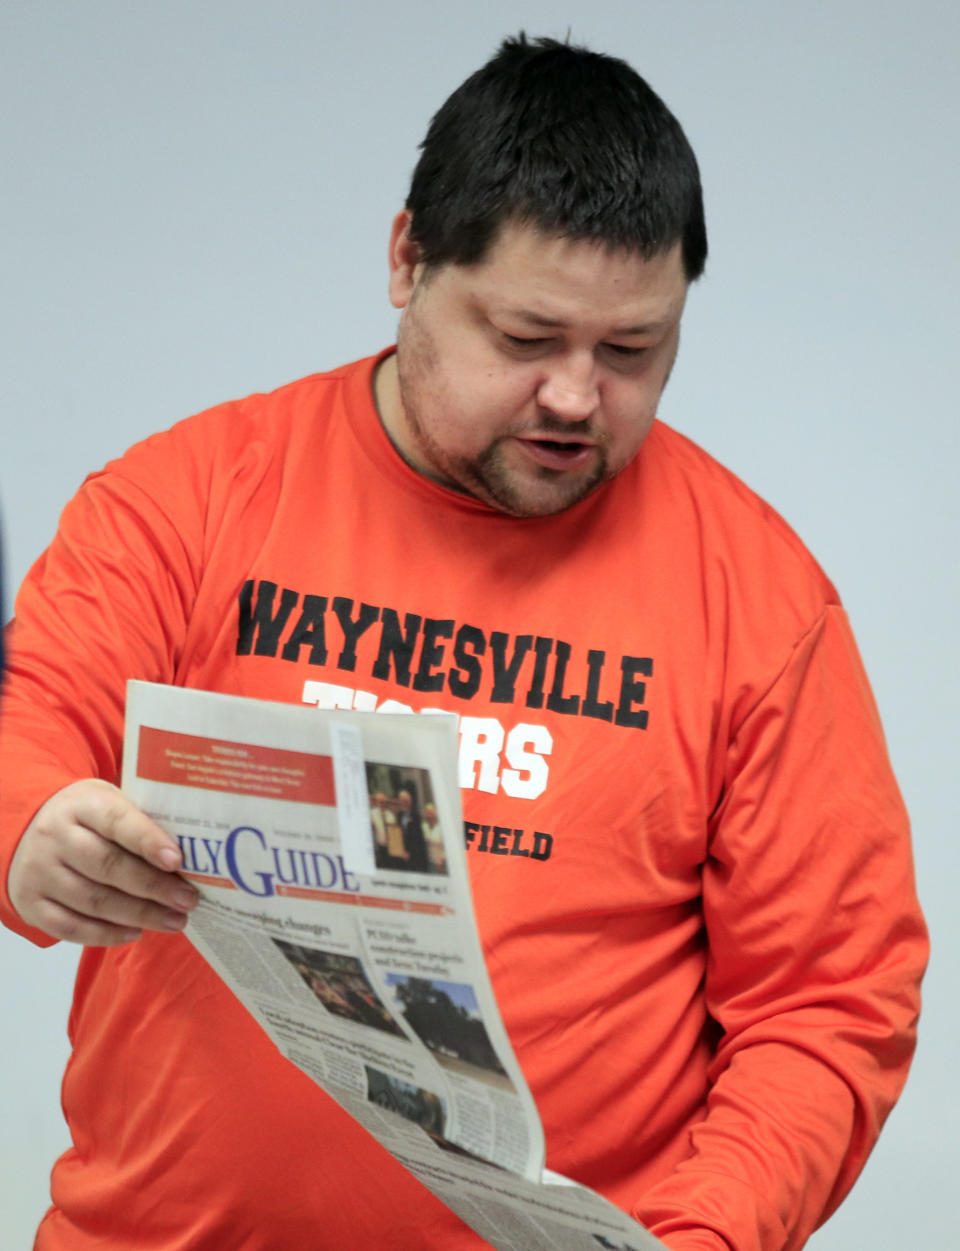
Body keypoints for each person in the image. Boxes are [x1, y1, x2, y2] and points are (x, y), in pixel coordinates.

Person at [0, 33, 926, 1251]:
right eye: (527, 339)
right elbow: (29, 721)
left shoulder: (757, 598)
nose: (575, 398)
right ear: (406, 260)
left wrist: (707, 1237)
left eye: (633, 352)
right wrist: (34, 833)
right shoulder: (190, 495)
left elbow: (831, 1000)